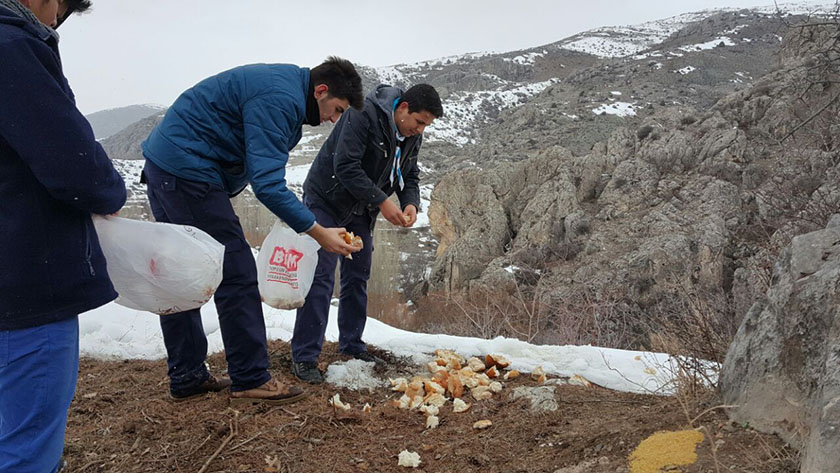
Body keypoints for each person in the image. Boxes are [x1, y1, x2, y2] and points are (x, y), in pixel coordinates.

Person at [140, 57, 363, 405]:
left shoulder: (286, 86)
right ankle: (250, 376)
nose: (333, 121)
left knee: (180, 271)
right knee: (236, 271)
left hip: (167, 167)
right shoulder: (280, 98)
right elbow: (267, 185)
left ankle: (187, 374)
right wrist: (318, 232)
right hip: (188, 172)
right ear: (321, 91)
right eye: (336, 109)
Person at [0, 1, 127, 472]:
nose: (56, 20)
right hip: (25, 284)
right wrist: (109, 191)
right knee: (27, 444)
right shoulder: (11, 46)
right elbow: (75, 165)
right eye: (61, 7)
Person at [291, 83, 443, 383]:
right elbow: (345, 166)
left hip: (361, 208)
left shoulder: (411, 135)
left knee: (357, 275)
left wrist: (410, 201)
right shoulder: (363, 113)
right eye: (419, 122)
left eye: (427, 125)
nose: (421, 130)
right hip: (327, 199)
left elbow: (410, 173)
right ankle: (305, 356)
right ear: (402, 109)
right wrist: (383, 201)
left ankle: (351, 345)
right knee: (321, 275)